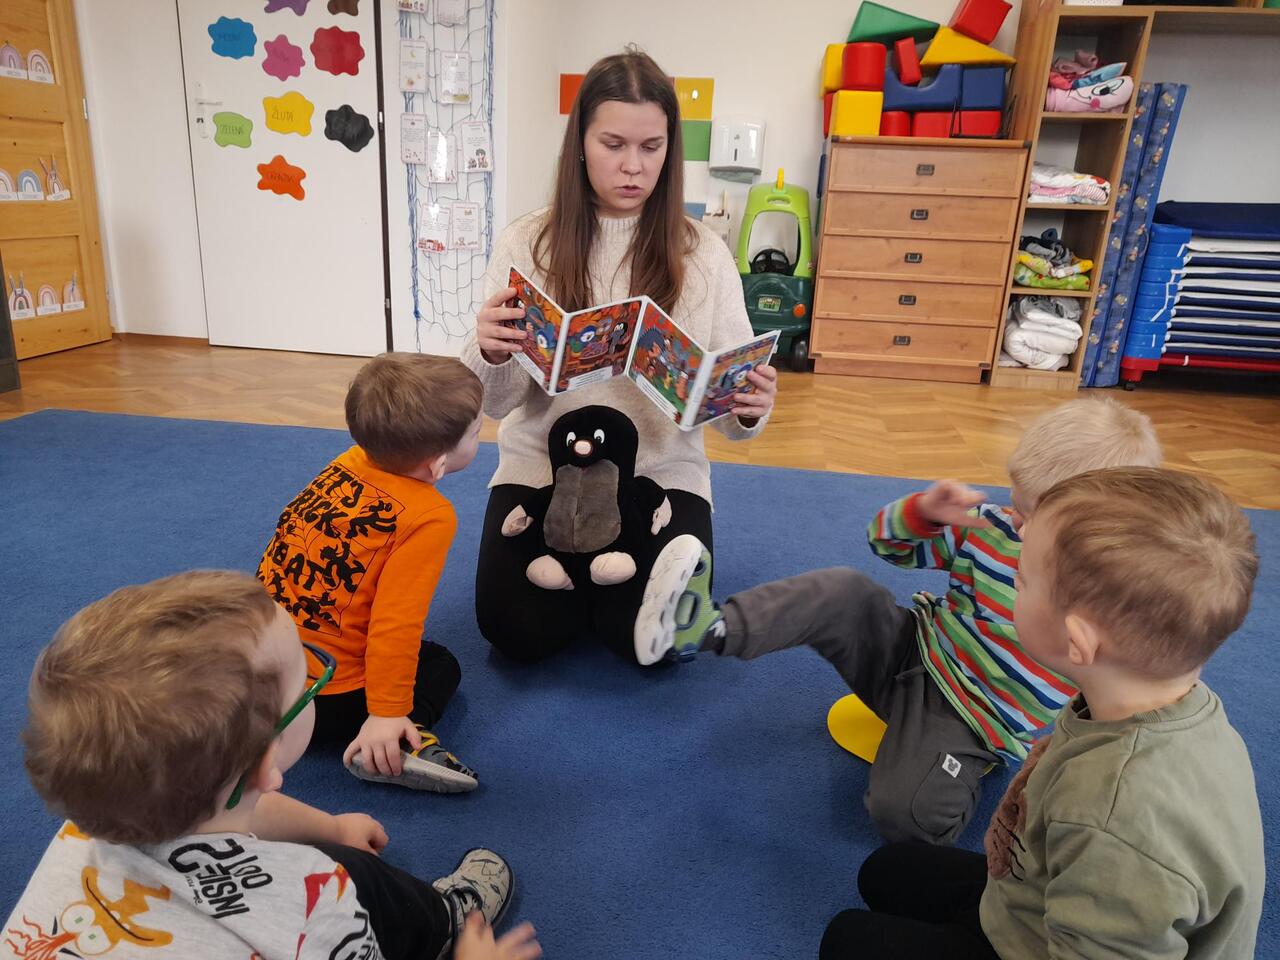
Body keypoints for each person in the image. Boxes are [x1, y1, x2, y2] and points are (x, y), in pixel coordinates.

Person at [656, 397, 1163, 845]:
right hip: (914, 651)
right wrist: (923, 513)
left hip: (970, 722)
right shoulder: (993, 526)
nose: (1016, 522)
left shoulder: (1107, 599)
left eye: (1032, 518)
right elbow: (889, 547)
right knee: (843, 590)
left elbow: (1121, 693)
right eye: (1017, 502)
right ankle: (710, 627)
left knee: (904, 811)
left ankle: (948, 786)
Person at [820, 467, 1264, 960]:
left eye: (1022, 579)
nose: (1010, 580)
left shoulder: (1116, 822)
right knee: (888, 870)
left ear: (1076, 642)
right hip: (1038, 889)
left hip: (1048, 943)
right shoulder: (1155, 696)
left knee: (846, 939)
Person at [8, 570, 540, 960]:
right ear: (267, 761)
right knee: (360, 881)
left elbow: (245, 806)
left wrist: (333, 829)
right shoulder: (318, 903)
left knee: (347, 862)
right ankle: (447, 926)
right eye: (309, 676)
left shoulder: (93, 822)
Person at [461, 47, 777, 666]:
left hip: (660, 473)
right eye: (613, 144)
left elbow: (735, 414)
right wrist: (489, 351)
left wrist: (749, 406)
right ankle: (601, 587)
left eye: (651, 147)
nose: (633, 166)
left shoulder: (703, 253)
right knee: (515, 631)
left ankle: (617, 590)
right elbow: (495, 406)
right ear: (580, 143)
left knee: (648, 648)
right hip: (544, 469)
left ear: (670, 149)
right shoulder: (527, 241)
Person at [258, 353, 484, 793]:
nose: (480, 435)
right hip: (324, 699)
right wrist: (387, 711)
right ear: (437, 465)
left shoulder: (348, 462)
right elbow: (396, 623)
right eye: (476, 432)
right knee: (440, 664)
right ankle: (393, 742)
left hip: (259, 670)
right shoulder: (428, 516)